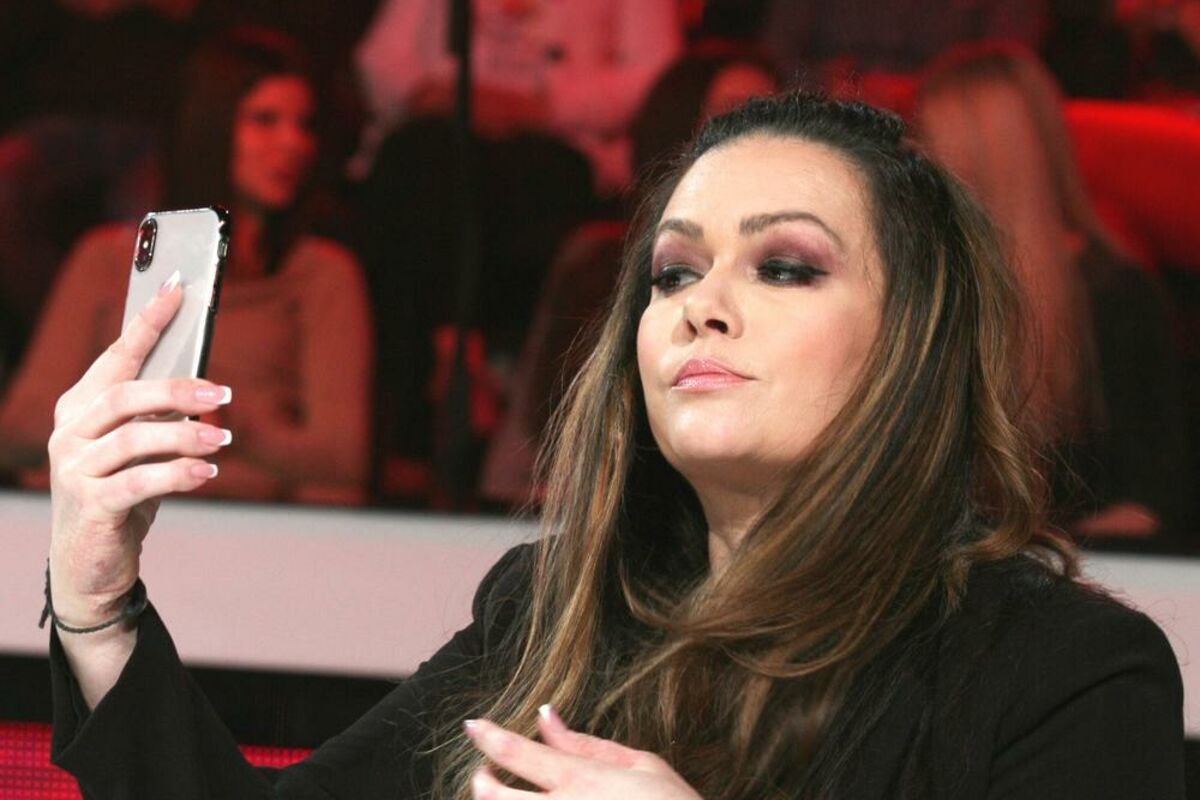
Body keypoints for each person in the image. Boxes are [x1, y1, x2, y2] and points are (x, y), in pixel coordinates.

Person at [44, 93, 1184, 797]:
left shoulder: (1065, 673)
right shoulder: (552, 609)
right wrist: (97, 598)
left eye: (786, 266)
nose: (703, 306)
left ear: (916, 335)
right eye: (674, 273)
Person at [0, 28, 373, 504]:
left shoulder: (321, 274)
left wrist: (229, 420)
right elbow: (19, 431)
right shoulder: (107, 258)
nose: (293, 143)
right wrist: (136, 407)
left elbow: (343, 457)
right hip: (111, 510)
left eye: (304, 125)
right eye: (265, 120)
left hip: (249, 523)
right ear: (210, 128)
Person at [915, 44, 1192, 543]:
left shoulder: (1113, 296)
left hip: (1082, 568)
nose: (922, 171)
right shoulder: (932, 284)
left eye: (936, 147)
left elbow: (1152, 500)